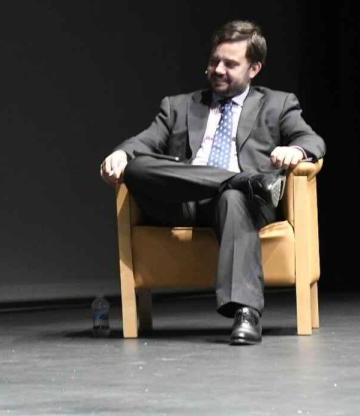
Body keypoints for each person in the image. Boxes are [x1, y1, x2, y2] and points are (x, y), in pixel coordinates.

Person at [99, 20, 325, 345]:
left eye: (230, 64)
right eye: (214, 61)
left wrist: (296, 149)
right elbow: (144, 141)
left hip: (241, 206)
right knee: (136, 168)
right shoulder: (177, 106)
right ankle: (247, 180)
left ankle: (246, 313)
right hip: (184, 201)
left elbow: (311, 139)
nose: (218, 69)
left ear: (254, 68)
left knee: (232, 198)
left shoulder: (277, 104)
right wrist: (121, 154)